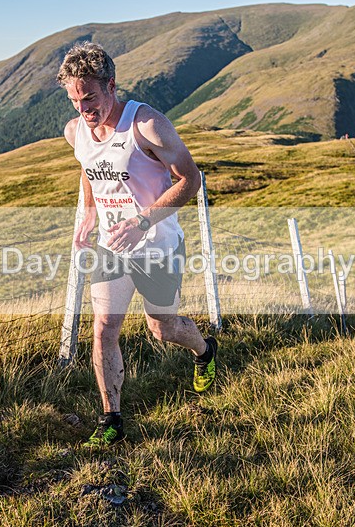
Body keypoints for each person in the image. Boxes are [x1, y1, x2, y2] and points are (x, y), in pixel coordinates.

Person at [57, 42, 218, 448]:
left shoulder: (146, 125)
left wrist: (142, 220)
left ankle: (204, 350)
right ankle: (111, 418)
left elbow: (190, 180)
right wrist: (91, 213)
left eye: (90, 97)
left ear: (111, 85)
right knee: (104, 328)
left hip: (157, 245)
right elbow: (88, 169)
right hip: (112, 247)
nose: (83, 109)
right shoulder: (76, 131)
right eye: (75, 100)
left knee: (162, 328)